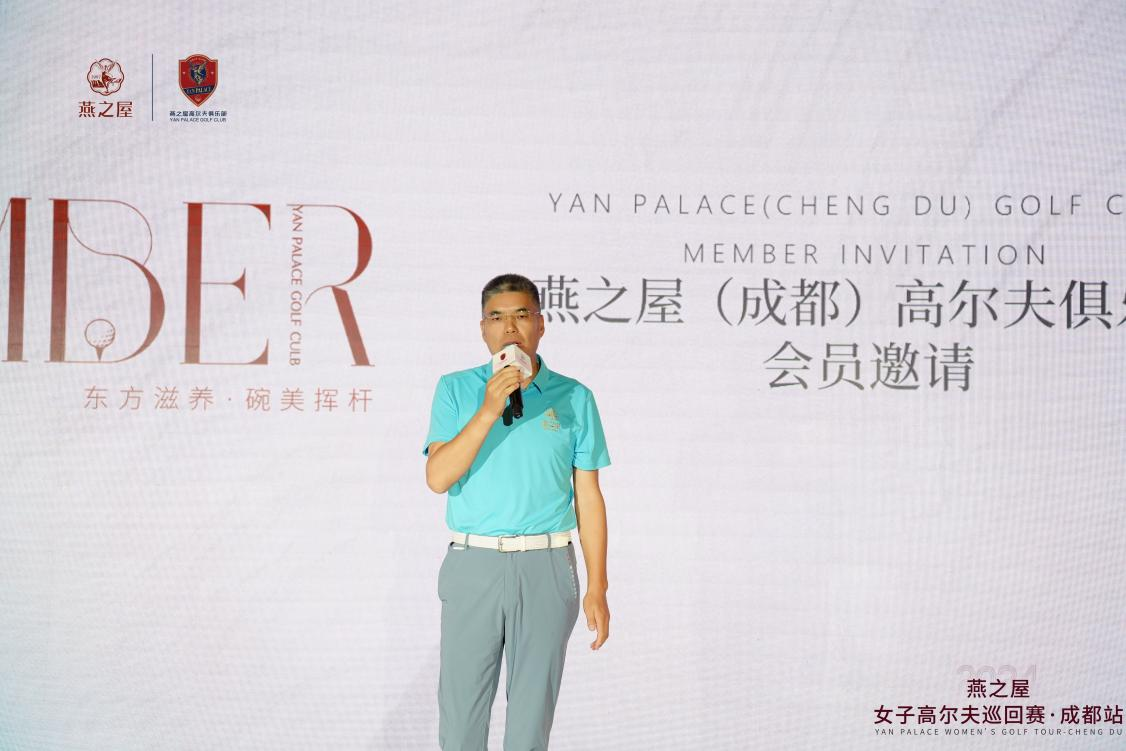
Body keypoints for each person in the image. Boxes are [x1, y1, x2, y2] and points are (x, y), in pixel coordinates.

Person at [422, 273, 611, 750]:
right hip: (473, 564)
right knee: (461, 720)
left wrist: (598, 585)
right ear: (483, 329)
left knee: (530, 725)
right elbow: (438, 477)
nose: (509, 328)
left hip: (547, 565)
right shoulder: (456, 389)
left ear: (540, 325)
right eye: (497, 318)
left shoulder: (575, 397)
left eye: (521, 315)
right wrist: (489, 408)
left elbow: (589, 496)